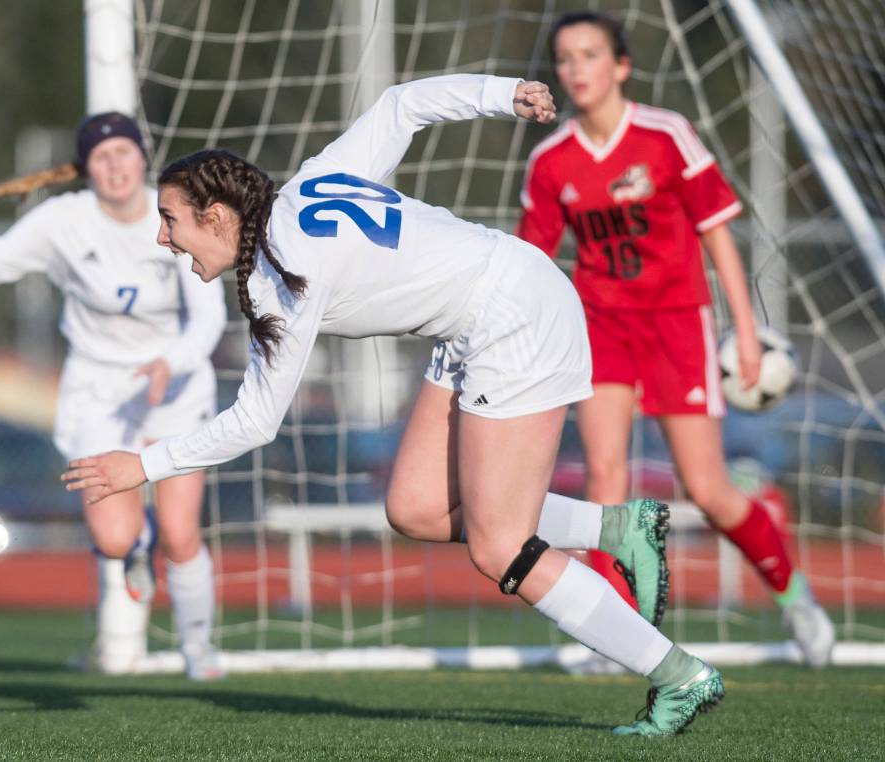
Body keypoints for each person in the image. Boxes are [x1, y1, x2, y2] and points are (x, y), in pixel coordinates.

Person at [63, 74, 724, 736]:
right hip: (486, 307)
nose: (162, 239)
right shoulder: (305, 188)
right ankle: (619, 529)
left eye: (169, 220)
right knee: (416, 506)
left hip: (514, 317)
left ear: (213, 216)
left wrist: (143, 466)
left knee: (501, 547)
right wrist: (504, 92)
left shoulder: (278, 282)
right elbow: (402, 105)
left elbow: (256, 422)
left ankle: (679, 676)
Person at [516, 11, 834, 668]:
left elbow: (716, 231)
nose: (576, 69)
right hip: (600, 325)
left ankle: (796, 598)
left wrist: (746, 333)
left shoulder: (667, 136)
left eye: (590, 55)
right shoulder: (552, 162)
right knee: (605, 475)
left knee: (708, 488)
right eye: (566, 58)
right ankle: (612, 633)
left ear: (621, 66)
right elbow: (531, 260)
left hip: (677, 324)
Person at [0, 112, 227, 679]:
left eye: (124, 152)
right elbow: (2, 254)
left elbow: (208, 316)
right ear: (85, 168)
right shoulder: (63, 221)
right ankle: (133, 556)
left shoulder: (174, 212)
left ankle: (200, 649)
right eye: (101, 156)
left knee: (180, 531)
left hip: (175, 384)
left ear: (142, 158)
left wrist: (171, 363)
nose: (115, 165)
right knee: (116, 537)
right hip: (100, 391)